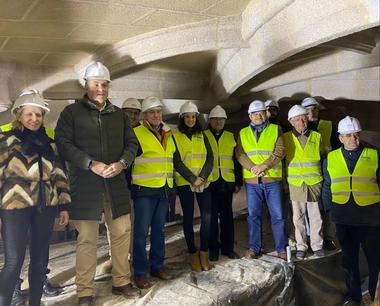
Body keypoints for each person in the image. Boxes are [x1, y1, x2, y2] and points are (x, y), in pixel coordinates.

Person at [55, 62, 141, 306]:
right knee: (87, 241)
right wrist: (90, 163)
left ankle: (121, 281)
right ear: (86, 86)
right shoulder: (71, 113)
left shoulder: (118, 115)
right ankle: (85, 292)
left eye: (104, 85)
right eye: (96, 85)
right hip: (84, 187)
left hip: (116, 187)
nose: (101, 89)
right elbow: (63, 143)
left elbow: (132, 144)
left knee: (122, 234)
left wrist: (122, 163)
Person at [0, 90, 70, 306]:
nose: (34, 119)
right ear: (19, 115)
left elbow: (59, 174)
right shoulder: (6, 140)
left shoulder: (49, 143)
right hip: (14, 208)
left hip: (46, 206)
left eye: (38, 115)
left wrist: (64, 206)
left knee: (40, 260)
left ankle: (35, 302)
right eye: (29, 114)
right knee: (13, 261)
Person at [322, 116, 380, 305]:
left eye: (355, 134)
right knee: (349, 260)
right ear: (340, 138)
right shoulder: (330, 158)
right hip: (344, 218)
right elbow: (327, 187)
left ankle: (375, 296)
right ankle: (354, 297)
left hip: (371, 218)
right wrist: (330, 210)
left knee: (375, 260)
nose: (353, 138)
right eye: (348, 135)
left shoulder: (375, 155)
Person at [131, 96, 175, 289]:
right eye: (152, 112)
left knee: (159, 230)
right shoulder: (136, 133)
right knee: (141, 233)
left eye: (158, 111)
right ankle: (140, 272)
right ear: (145, 115)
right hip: (144, 191)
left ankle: (158, 266)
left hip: (164, 189)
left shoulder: (167, 133)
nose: (156, 115)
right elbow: (128, 163)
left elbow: (174, 160)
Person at [236, 100, 287, 260]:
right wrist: (252, 168)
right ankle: (254, 248)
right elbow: (240, 154)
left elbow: (280, 151)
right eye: (255, 113)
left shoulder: (275, 129)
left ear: (266, 114)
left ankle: (281, 249)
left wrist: (264, 166)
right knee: (253, 216)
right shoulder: (243, 133)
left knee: (278, 216)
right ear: (250, 116)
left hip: (272, 180)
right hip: (252, 181)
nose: (258, 116)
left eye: (261, 113)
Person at [102, 97, 141, 274]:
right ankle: (114, 257)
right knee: (115, 226)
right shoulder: (114, 131)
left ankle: (131, 258)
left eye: (135, 113)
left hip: (137, 186)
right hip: (116, 186)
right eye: (128, 112)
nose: (132, 116)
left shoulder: (143, 133)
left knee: (132, 225)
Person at [173, 101, 213, 272]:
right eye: (187, 117)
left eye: (193, 117)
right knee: (188, 219)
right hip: (185, 183)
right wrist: (191, 178)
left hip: (203, 182)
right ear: (182, 119)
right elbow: (176, 161)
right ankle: (192, 254)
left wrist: (202, 176)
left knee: (207, 218)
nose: (191, 119)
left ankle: (204, 252)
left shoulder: (202, 136)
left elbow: (210, 158)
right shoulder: (175, 136)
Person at [284, 105, 326, 260]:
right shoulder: (285, 138)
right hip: (296, 184)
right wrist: (284, 183)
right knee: (298, 217)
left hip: (314, 182)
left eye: (303, 118)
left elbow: (322, 157)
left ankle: (317, 246)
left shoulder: (317, 137)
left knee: (316, 216)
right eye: (297, 119)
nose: (301, 121)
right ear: (291, 122)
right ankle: (301, 246)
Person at [301, 97, 340, 250]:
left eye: (314, 108)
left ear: (318, 109)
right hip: (310, 172)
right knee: (311, 206)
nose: (311, 112)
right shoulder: (300, 127)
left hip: (328, 168)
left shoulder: (329, 125)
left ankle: (328, 238)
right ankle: (313, 237)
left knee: (329, 203)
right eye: (308, 109)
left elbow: (337, 147)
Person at [204, 105, 242, 261]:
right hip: (210, 183)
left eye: (221, 119)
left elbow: (236, 160)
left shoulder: (231, 136)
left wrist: (238, 181)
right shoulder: (203, 136)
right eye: (215, 119)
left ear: (225, 121)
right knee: (211, 218)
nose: (218, 122)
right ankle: (213, 249)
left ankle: (228, 249)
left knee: (227, 218)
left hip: (227, 182)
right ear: (210, 120)